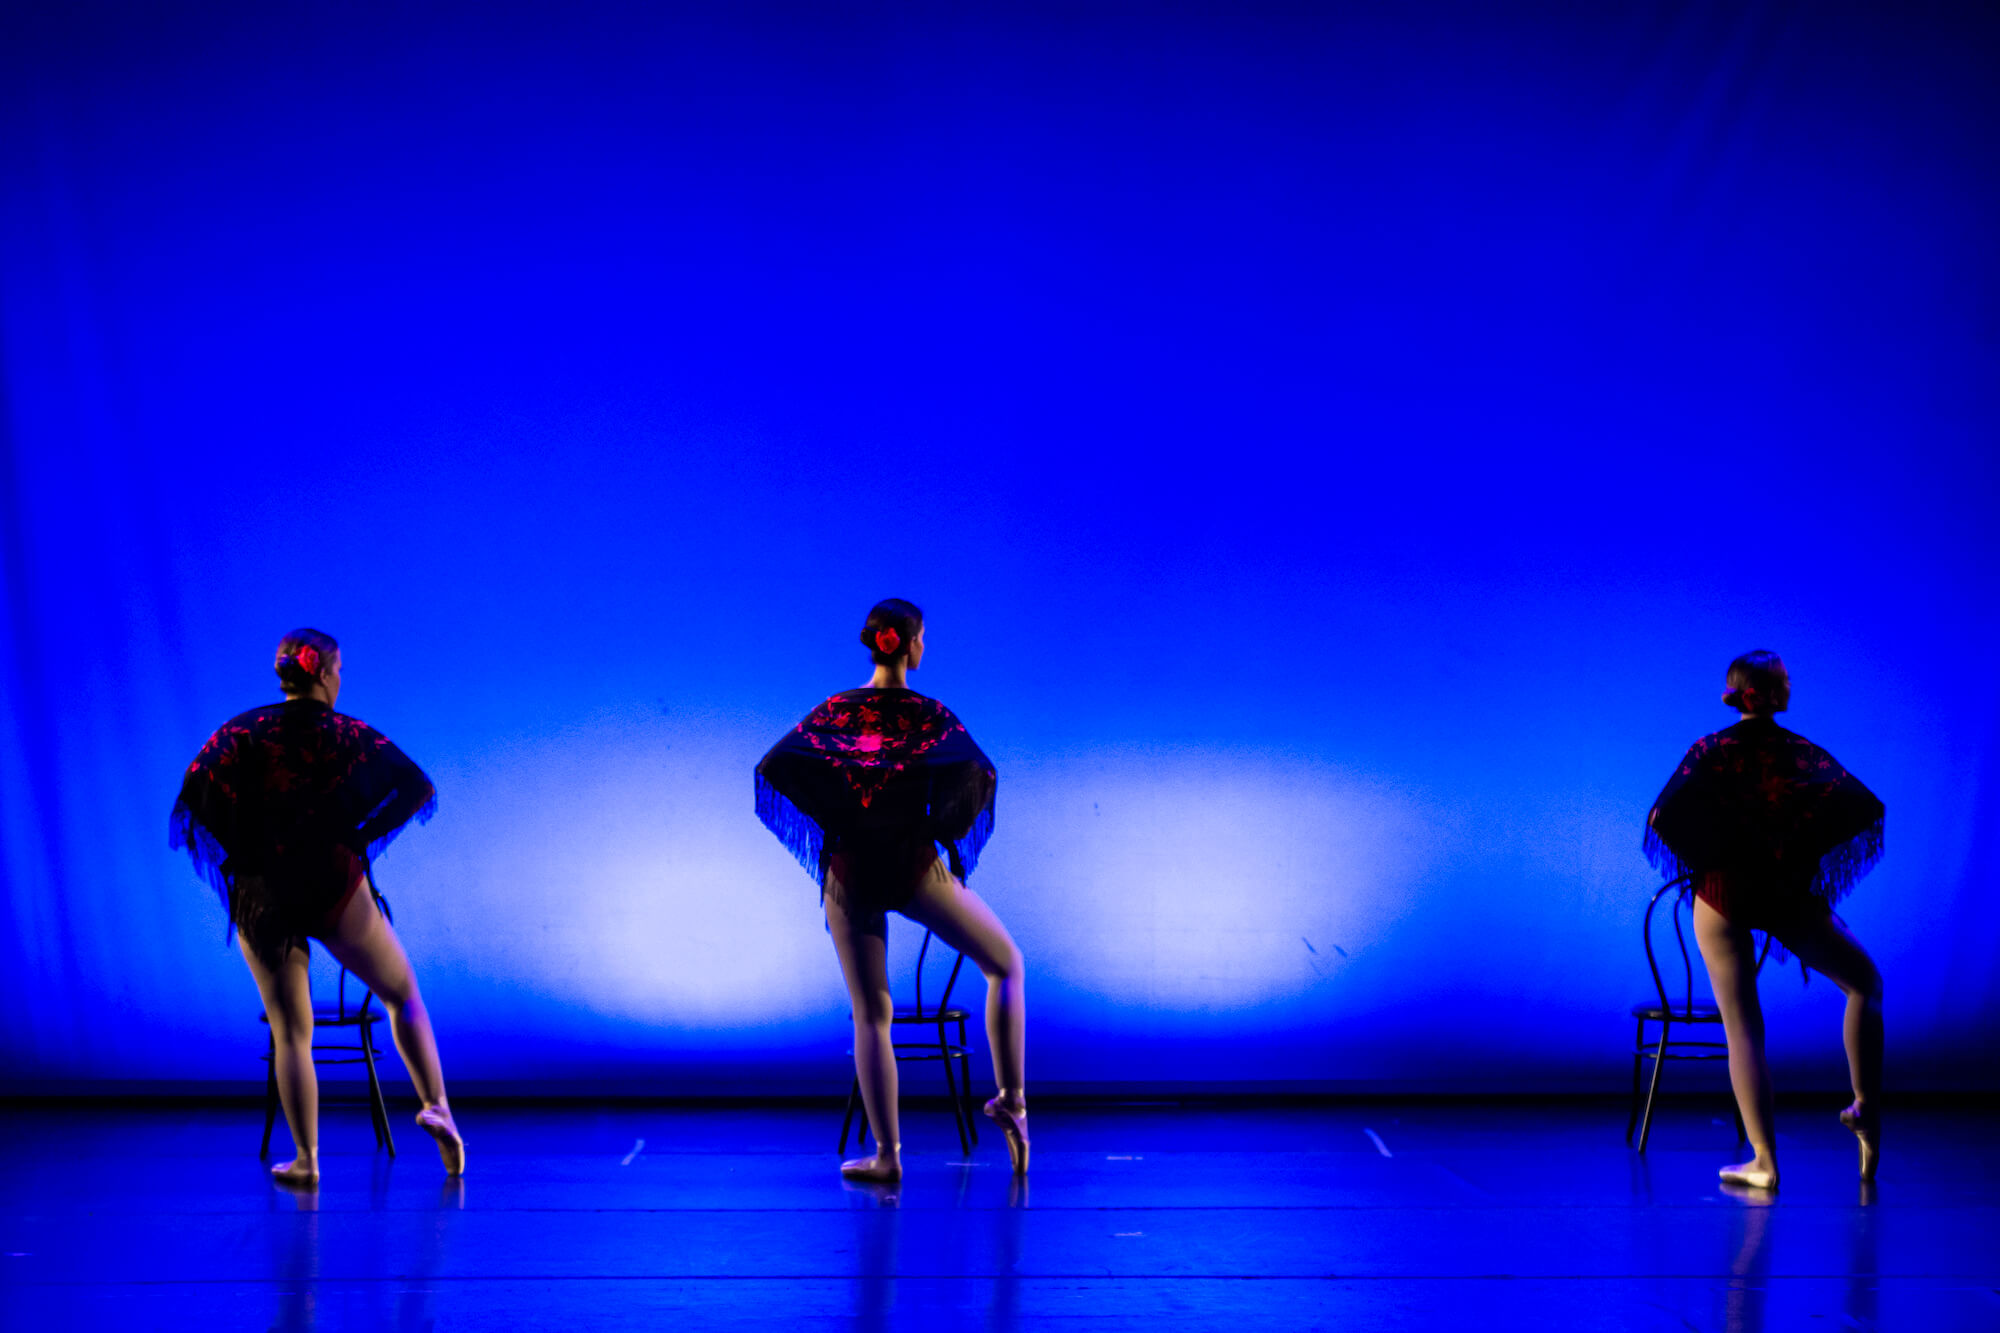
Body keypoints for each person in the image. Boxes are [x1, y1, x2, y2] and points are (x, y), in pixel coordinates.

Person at [170, 629, 464, 1185]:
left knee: (291, 1031)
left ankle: (306, 1159)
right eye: (340, 670)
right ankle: (436, 1105)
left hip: (263, 893)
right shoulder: (346, 734)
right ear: (325, 673)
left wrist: (244, 853)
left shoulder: (240, 732)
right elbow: (415, 788)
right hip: (332, 883)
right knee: (402, 996)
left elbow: (193, 798)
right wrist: (356, 835)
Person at [756, 599, 1028, 1182]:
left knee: (871, 1014)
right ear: (909, 644)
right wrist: (939, 834)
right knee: (1006, 965)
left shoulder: (835, 713)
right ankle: (1012, 1098)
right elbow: (980, 774)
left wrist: (839, 823)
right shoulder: (928, 717)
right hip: (912, 868)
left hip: (850, 873)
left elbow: (777, 766)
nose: (924, 646)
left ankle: (887, 1156)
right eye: (922, 637)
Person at [1645, 650, 1885, 1189]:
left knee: (1743, 1031)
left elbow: (1664, 815)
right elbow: (1855, 805)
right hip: (1781, 894)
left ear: (1736, 694)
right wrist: (1787, 854)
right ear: (1775, 693)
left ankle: (1765, 1163)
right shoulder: (1799, 755)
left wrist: (1714, 857)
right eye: (1786, 680)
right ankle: (1865, 1106)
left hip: (1723, 894)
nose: (1791, 686)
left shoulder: (1710, 751)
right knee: (1865, 984)